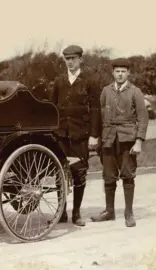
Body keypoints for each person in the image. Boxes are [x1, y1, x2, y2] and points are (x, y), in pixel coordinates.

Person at [90, 58, 149, 227]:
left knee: (128, 175)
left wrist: (138, 142)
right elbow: (100, 116)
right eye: (117, 71)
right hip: (108, 139)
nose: (120, 74)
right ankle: (109, 211)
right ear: (113, 73)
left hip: (127, 139)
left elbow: (142, 118)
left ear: (128, 73)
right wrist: (98, 140)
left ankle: (128, 213)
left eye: (123, 71)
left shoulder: (135, 92)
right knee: (108, 176)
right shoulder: (106, 91)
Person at [49, 45, 101, 226]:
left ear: (80, 59)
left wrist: (94, 135)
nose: (70, 62)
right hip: (61, 136)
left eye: (73, 59)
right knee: (59, 172)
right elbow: (52, 107)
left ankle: (76, 214)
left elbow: (95, 109)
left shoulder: (90, 81)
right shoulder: (59, 81)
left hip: (80, 135)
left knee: (79, 173)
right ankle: (61, 212)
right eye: (67, 59)